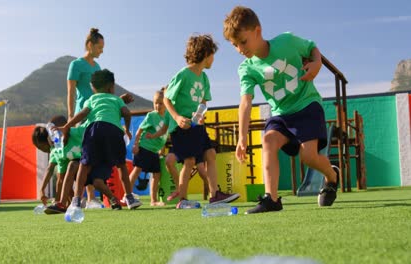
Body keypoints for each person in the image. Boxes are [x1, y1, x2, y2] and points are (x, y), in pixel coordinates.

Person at [223, 6, 339, 214]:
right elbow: (246, 102)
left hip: (307, 105)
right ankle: (272, 199)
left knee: (308, 157)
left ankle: (332, 177)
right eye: (234, 45)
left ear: (257, 31)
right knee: (268, 140)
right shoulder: (247, 68)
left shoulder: (286, 42)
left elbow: (312, 47)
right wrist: (241, 137)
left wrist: (317, 63)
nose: (240, 49)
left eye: (243, 41)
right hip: (281, 114)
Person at [163, 34, 240, 208]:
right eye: (212, 54)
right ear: (205, 54)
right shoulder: (183, 75)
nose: (213, 59)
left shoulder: (204, 78)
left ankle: (215, 195)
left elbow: (204, 101)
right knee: (189, 161)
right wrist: (177, 117)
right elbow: (166, 99)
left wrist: (201, 114)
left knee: (210, 154)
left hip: (197, 126)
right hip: (182, 127)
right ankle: (182, 200)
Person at [58, 69, 142, 210]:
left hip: (95, 130)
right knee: (121, 165)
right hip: (115, 131)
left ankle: (77, 200)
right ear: (111, 87)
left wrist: (67, 126)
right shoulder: (117, 99)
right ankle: (129, 197)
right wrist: (127, 129)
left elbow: (83, 113)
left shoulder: (92, 99)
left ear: (93, 88)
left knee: (84, 166)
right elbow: (126, 113)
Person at [67, 27, 105, 205]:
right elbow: (70, 93)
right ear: (90, 45)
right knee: (82, 155)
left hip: (95, 114)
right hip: (81, 115)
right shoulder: (75, 65)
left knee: (92, 153)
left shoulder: (97, 67)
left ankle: (91, 197)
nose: (101, 51)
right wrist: (70, 118)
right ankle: (78, 197)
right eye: (99, 47)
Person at [128, 89, 167, 206]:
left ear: (167, 103)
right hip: (144, 148)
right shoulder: (151, 116)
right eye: (155, 102)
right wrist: (135, 145)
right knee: (137, 170)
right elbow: (139, 130)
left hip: (154, 152)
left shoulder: (168, 118)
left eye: (160, 103)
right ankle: (127, 196)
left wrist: (161, 150)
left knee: (156, 174)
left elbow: (165, 136)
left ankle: (153, 200)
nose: (157, 105)